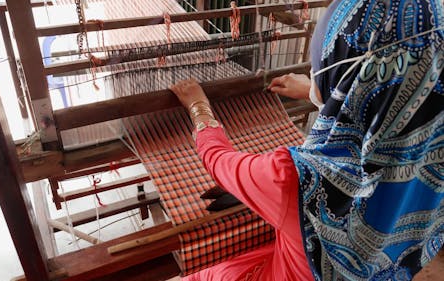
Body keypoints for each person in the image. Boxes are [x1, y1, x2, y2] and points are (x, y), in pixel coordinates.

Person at [169, 0, 443, 280]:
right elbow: (386, 106)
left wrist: (197, 104)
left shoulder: (300, 179)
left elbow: (219, 160)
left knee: (206, 272)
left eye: (323, 68)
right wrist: (317, 94)